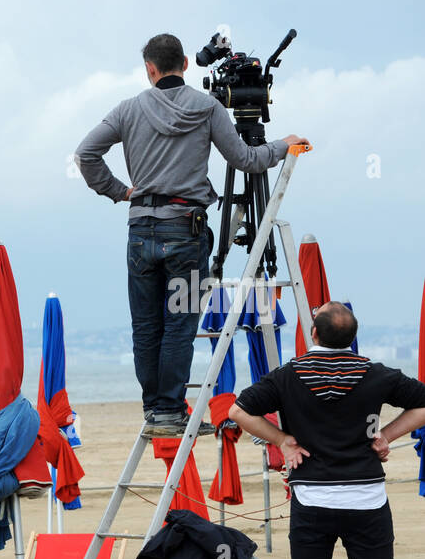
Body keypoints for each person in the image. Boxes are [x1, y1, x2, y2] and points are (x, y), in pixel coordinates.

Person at [75, 32, 309, 437]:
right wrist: (282, 146)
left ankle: (157, 411)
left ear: (149, 69)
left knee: (146, 326)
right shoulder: (207, 107)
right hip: (185, 231)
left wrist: (120, 191)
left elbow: (85, 154)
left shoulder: (127, 110)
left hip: (141, 233)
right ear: (185, 63)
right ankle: (169, 411)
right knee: (180, 323)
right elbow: (247, 160)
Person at [230, 303, 425, 559]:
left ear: (313, 334)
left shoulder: (290, 374)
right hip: (366, 499)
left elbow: (238, 411)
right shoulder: (376, 373)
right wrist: (385, 436)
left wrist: (283, 440)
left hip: (313, 500)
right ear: (352, 338)